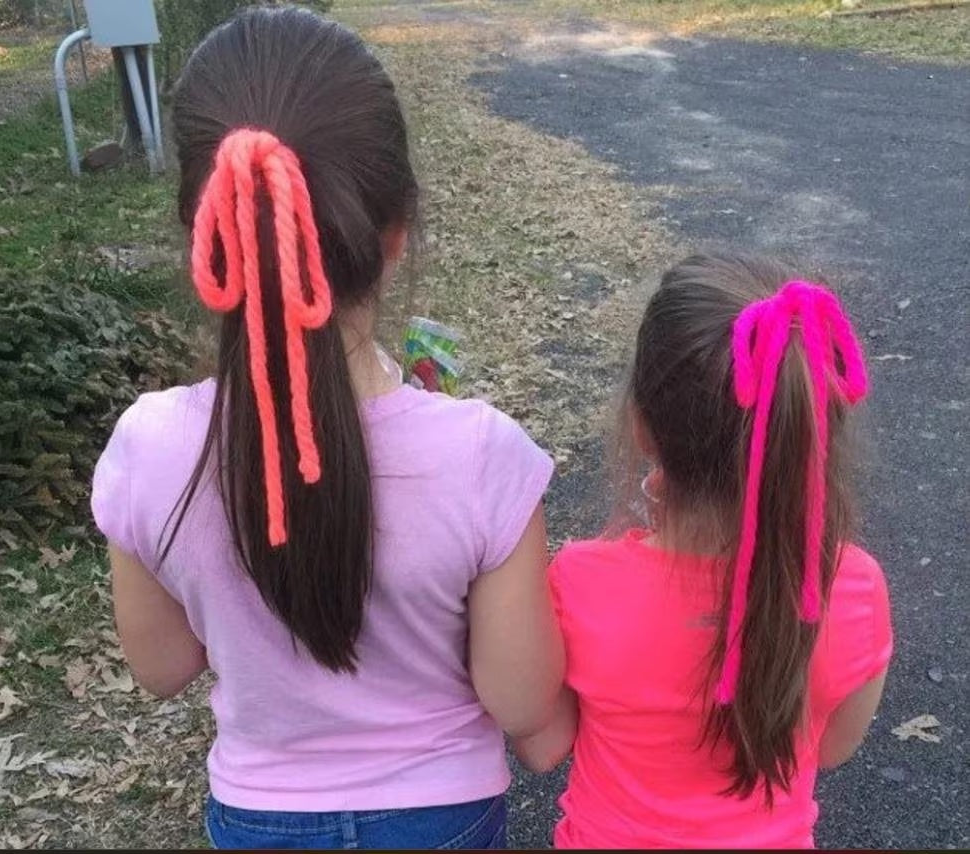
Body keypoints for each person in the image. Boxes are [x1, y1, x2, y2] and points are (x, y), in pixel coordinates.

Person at [91, 7, 563, 849]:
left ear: (203, 237)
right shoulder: (482, 454)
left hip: (257, 817)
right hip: (444, 817)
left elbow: (162, 668)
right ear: (396, 232)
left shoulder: (149, 446)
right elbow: (523, 704)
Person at [514, 253, 893, 849]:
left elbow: (544, 739)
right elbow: (832, 750)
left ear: (642, 426)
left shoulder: (581, 580)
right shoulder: (853, 586)